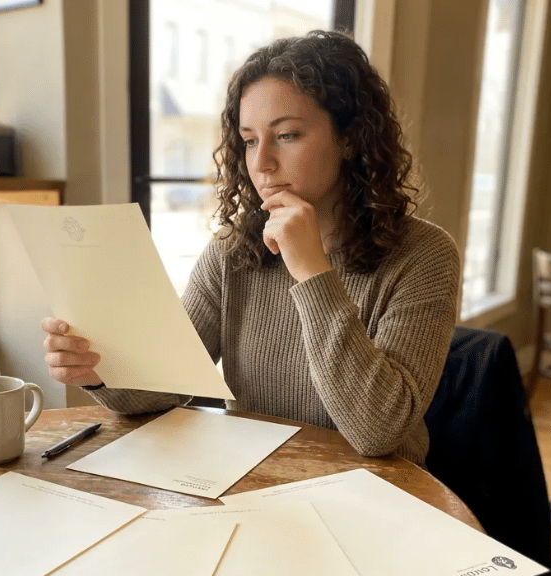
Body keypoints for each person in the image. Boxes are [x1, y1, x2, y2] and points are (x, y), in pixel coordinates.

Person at [42, 30, 460, 466]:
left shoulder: (425, 255)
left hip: (378, 490)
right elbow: (166, 383)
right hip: (253, 481)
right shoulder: (233, 250)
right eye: (250, 140)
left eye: (288, 135)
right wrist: (99, 369)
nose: (261, 164)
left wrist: (312, 271)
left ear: (350, 137)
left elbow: (378, 431)